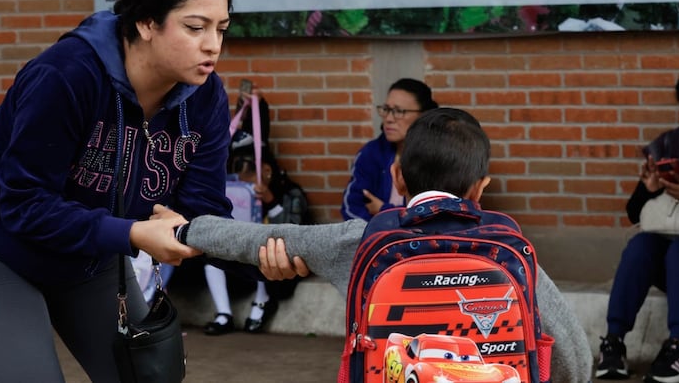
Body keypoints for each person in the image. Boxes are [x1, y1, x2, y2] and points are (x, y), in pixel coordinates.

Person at [0, 0, 240, 382]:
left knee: (151, 378)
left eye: (221, 29)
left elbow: (202, 209)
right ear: (147, 22)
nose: (213, 44)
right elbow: (24, 206)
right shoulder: (66, 76)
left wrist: (268, 252)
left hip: (91, 252)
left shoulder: (206, 97)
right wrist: (132, 233)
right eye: (195, 27)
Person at [158, 107, 594, 382]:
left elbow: (257, 239)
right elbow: (576, 363)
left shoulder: (363, 240)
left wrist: (183, 230)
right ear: (481, 188)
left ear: (398, 177)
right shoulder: (511, 253)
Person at [595, 68, 679, 382]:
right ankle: (614, 342)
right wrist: (648, 190)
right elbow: (635, 214)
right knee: (641, 244)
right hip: (675, 265)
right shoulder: (668, 145)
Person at [203, 142, 310, 335]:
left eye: (248, 179)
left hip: (277, 264)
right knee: (212, 262)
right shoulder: (235, 194)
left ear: (266, 171)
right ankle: (223, 314)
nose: (244, 185)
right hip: (242, 260)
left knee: (263, 252)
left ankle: (261, 302)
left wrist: (271, 201)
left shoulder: (290, 193)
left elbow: (295, 231)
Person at [340, 78, 438, 221]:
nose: (389, 118)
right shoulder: (371, 153)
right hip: (376, 241)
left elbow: (434, 216)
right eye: (386, 109)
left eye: (399, 111)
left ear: (423, 116)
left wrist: (383, 210)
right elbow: (351, 208)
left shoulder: (437, 157)